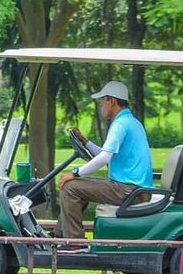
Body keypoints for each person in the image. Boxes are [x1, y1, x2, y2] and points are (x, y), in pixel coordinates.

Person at [55, 80, 153, 245]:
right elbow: (105, 154)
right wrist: (85, 141)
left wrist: (74, 173)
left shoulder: (120, 124)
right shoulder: (130, 121)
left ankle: (73, 243)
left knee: (70, 187)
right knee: (78, 186)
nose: (101, 106)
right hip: (134, 188)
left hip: (130, 190)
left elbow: (104, 158)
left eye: (102, 101)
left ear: (111, 101)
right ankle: (59, 235)